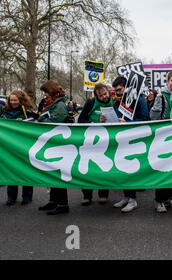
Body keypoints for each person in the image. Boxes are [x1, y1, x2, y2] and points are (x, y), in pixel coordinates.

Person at [106, 76, 149, 213]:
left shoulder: (139, 101)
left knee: (130, 170)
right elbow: (116, 118)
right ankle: (126, 196)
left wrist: (127, 123)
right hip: (121, 140)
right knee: (122, 169)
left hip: (134, 140)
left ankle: (133, 200)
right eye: (115, 90)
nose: (117, 93)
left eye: (119, 90)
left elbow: (144, 119)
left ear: (127, 87)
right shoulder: (117, 102)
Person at [149, 71, 172, 213]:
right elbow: (153, 116)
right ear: (167, 81)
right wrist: (158, 102)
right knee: (163, 168)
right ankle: (159, 201)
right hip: (163, 137)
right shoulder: (161, 96)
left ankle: (170, 197)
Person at [37, 80, 70, 215]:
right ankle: (54, 200)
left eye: (46, 92)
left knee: (58, 173)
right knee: (51, 173)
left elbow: (55, 122)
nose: (44, 95)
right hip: (52, 143)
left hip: (58, 143)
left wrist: (40, 119)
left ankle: (62, 204)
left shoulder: (60, 105)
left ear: (51, 91)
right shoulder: (52, 103)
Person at [77, 83, 113, 206]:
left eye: (105, 94)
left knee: (103, 168)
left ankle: (103, 194)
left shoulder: (114, 102)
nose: (104, 97)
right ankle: (87, 195)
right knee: (87, 168)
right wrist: (94, 122)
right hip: (90, 140)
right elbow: (80, 120)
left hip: (106, 141)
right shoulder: (90, 103)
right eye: (101, 95)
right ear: (96, 96)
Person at [0, 90, 37, 205]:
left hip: (24, 146)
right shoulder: (5, 112)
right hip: (9, 147)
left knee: (25, 170)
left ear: (21, 100)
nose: (13, 102)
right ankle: (11, 197)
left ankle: (27, 196)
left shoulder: (28, 112)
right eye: (11, 100)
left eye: (15, 100)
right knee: (11, 170)